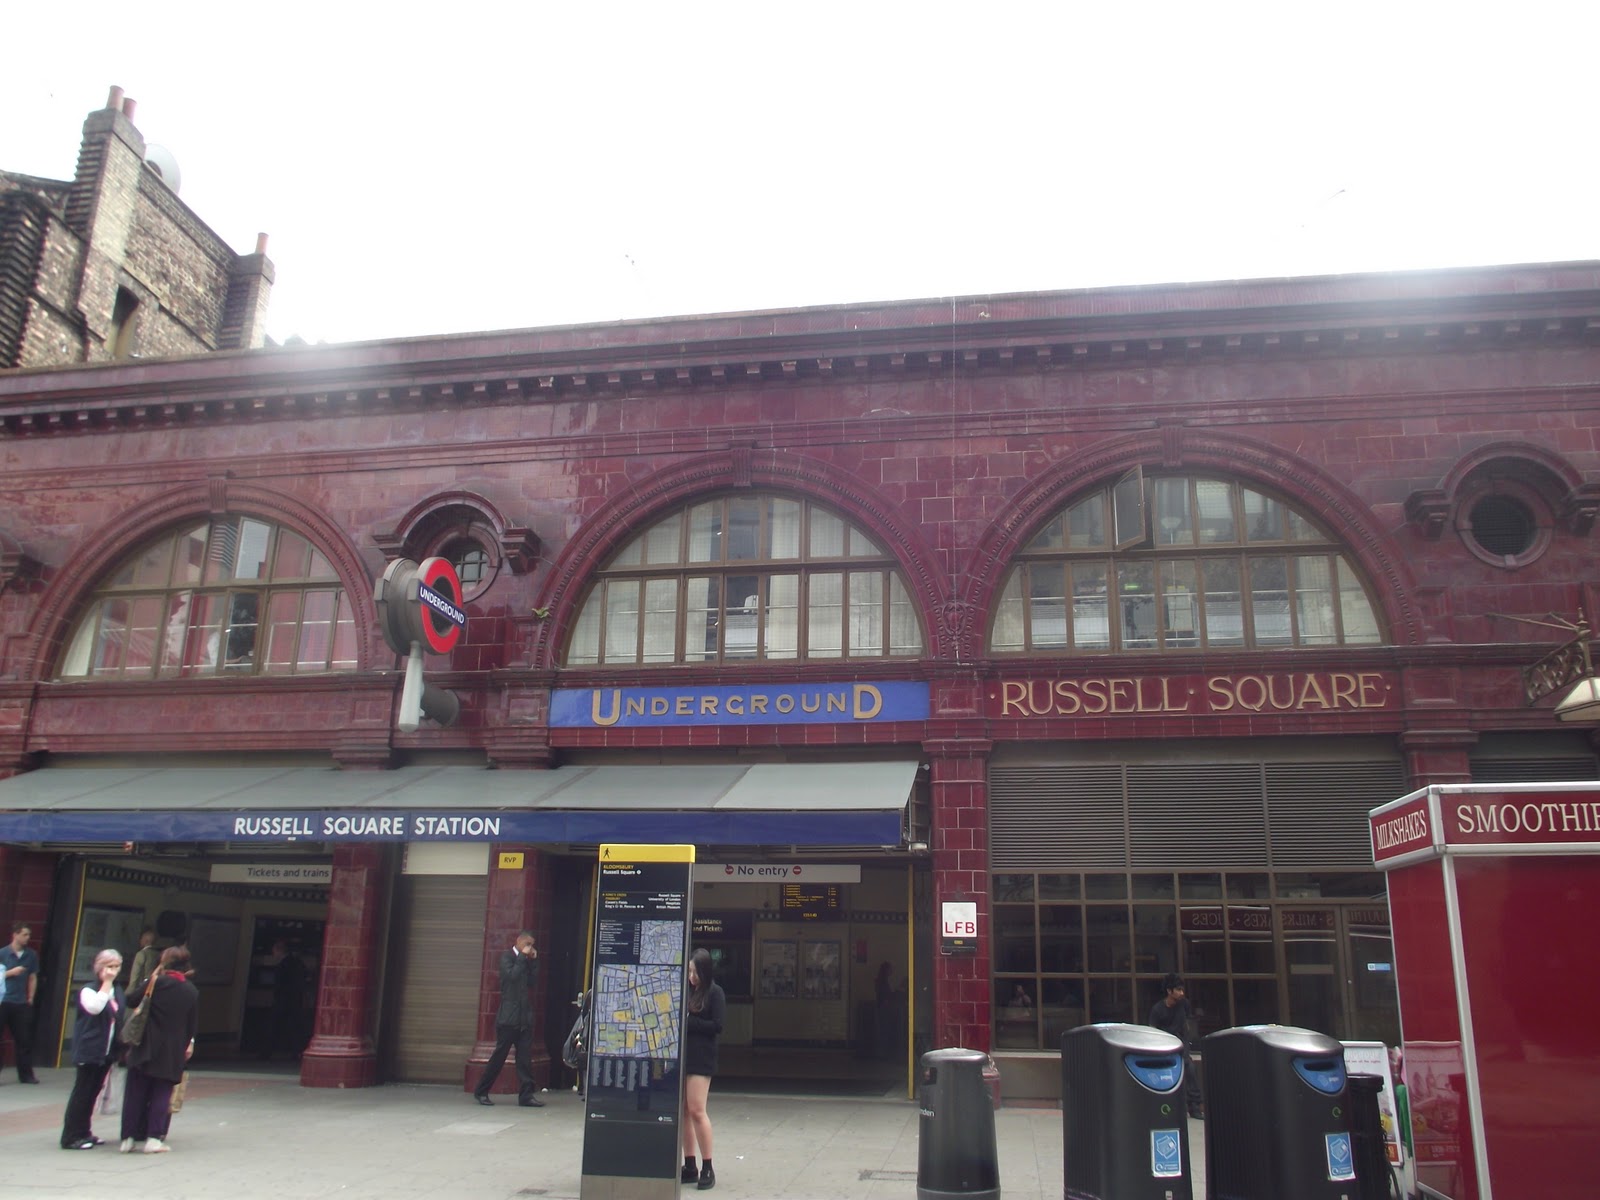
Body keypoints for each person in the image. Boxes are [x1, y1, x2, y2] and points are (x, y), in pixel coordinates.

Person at [120, 945, 199, 1154]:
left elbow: (131, 999)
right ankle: (154, 1138)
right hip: (171, 1050)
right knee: (161, 1093)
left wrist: (152, 977)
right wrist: (188, 1044)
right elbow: (191, 1024)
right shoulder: (191, 991)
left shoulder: (156, 983)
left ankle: (127, 1138)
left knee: (135, 1092)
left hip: (144, 1045)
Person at [60, 949, 127, 1149]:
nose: (113, 972)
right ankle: (71, 1136)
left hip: (106, 1051)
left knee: (93, 1092)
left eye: (116, 967)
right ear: (99, 968)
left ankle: (85, 1132)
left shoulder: (117, 990)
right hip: (89, 1048)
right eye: (109, 967)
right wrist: (106, 984)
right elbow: (95, 1008)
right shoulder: (89, 990)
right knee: (82, 1091)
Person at [473, 930, 542, 1107]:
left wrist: (534, 961)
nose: (530, 947)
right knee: (499, 1056)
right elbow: (511, 977)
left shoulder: (526, 961)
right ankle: (481, 1091)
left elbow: (533, 982)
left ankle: (526, 1095)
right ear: (518, 942)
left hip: (524, 1018)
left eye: (532, 944)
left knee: (524, 1059)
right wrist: (522, 958)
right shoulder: (507, 958)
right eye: (527, 944)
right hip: (508, 1018)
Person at [681, 947, 725, 1191]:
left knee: (697, 1110)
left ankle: (707, 1166)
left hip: (701, 1059)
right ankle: (690, 1164)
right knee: (685, 1111)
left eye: (695, 972)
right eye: (689, 971)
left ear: (705, 972)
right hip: (685, 1058)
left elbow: (717, 1025)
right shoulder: (688, 991)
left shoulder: (715, 993)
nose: (691, 976)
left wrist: (691, 1022)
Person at [1148, 972, 1203, 1119]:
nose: (1181, 993)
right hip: (1164, 1047)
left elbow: (1186, 1026)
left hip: (1181, 1045)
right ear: (1169, 991)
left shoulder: (1184, 1004)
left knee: (1190, 1069)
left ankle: (1195, 1107)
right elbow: (1153, 1033)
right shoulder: (1157, 1010)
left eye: (1182, 989)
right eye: (1178, 990)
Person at [1, 921, 40, 1084]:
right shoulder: (3, 953)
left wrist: (30, 997)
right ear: (15, 934)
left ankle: (26, 1075)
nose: (27, 938)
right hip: (3, 1000)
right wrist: (11, 972)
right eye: (24, 934)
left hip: (20, 1002)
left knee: (24, 1039)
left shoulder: (31, 955)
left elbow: (32, 976)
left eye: (29, 935)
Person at [262, 939, 307, 1060]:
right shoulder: (298, 963)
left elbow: (279, 984)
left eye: (274, 951)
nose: (273, 954)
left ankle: (266, 1052)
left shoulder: (283, 965)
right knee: (295, 1027)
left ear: (279, 950)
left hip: (283, 1001)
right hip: (295, 1000)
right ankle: (297, 1052)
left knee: (272, 1026)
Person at [125, 928, 159, 994]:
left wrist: (126, 995)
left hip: (143, 990)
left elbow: (134, 978)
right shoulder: (159, 954)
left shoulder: (141, 954)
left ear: (145, 940)